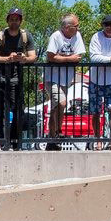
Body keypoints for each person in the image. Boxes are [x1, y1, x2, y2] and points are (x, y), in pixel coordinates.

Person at [0, 7, 37, 150]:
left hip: (17, 79)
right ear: (8, 20)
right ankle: (2, 141)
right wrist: (7, 59)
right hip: (0, 78)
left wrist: (23, 59)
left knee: (19, 110)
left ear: (20, 21)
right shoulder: (0, 36)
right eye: (11, 19)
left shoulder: (25, 36)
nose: (14, 22)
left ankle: (15, 140)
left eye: (17, 19)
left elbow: (33, 56)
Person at [42, 14, 85, 151]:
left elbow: (78, 57)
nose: (78, 28)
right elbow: (50, 56)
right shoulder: (56, 36)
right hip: (52, 78)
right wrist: (69, 58)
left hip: (66, 79)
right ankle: (58, 132)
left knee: (57, 107)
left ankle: (52, 138)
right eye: (76, 26)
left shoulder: (77, 36)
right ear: (67, 27)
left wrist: (62, 58)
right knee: (62, 102)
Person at [83, 15, 111, 142]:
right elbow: (94, 57)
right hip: (95, 80)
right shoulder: (96, 37)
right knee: (95, 113)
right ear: (102, 25)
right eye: (106, 24)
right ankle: (98, 140)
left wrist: (109, 58)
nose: (109, 27)